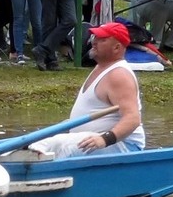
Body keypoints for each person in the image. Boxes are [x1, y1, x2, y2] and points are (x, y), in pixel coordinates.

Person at [24, 22, 146, 159]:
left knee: (53, 146)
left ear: (116, 47)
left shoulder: (119, 75)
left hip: (122, 146)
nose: (94, 42)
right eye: (95, 37)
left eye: (102, 39)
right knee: (34, 143)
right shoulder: (101, 67)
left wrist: (104, 139)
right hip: (92, 140)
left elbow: (132, 118)